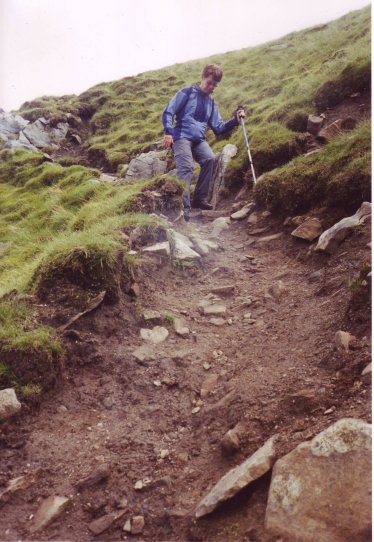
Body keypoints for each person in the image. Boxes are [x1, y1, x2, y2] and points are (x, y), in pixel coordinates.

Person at [162, 64, 244, 219]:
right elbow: (169, 111)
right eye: (209, 82)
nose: (211, 86)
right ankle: (183, 206)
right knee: (186, 166)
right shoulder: (187, 93)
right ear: (202, 78)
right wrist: (168, 132)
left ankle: (199, 199)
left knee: (209, 159)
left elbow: (219, 128)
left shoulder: (212, 103)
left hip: (199, 139)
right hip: (181, 136)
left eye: (215, 85)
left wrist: (235, 120)